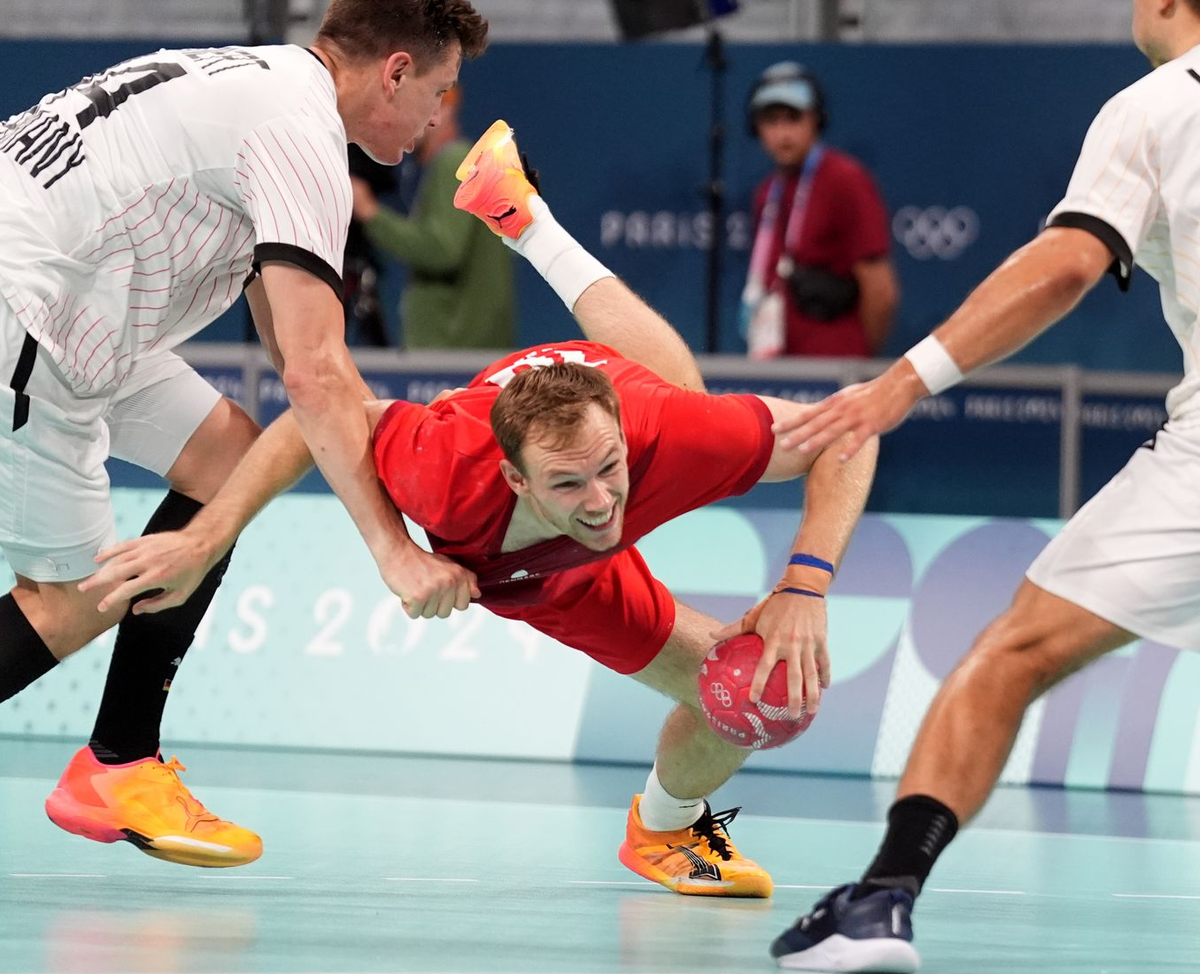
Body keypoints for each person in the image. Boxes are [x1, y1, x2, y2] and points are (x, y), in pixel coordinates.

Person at [80, 122, 878, 897]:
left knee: (760, 684)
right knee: (675, 418)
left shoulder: (661, 442)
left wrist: (806, 585)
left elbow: (854, 428)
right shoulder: (444, 469)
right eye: (569, 485)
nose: (600, 504)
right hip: (544, 575)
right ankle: (520, 222)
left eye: (608, 473)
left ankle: (666, 828)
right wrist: (218, 537)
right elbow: (313, 418)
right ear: (517, 479)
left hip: (631, 419)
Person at [768, 0, 1200, 973]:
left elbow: (1066, 265)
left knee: (1010, 653)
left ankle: (880, 901)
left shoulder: (1154, 110)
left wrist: (902, 383)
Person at [0, 0, 488, 868]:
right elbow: (314, 374)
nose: (434, 118)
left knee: (229, 461)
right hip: (33, 311)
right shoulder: (299, 132)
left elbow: (297, 345)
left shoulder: (258, 83)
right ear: (394, 71)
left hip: (82, 301)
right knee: (66, 602)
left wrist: (368, 433)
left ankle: (120, 761)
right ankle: (114, 766)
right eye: (439, 89)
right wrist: (393, 548)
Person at [741, 61, 898, 359]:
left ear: (816, 120)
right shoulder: (767, 192)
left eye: (794, 118)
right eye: (771, 121)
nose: (782, 133)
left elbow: (881, 292)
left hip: (836, 371)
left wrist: (859, 364)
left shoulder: (845, 179)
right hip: (777, 367)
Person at [350, 85, 515, 349]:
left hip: (453, 353)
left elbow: (442, 249)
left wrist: (370, 213)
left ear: (443, 112)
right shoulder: (461, 162)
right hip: (461, 353)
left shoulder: (454, 162)